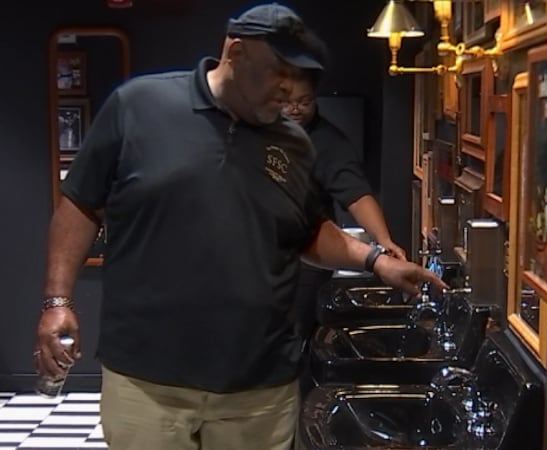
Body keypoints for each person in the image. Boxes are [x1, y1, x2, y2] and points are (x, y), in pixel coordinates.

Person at [32, 4, 446, 450]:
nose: (288, 88)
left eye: (297, 75)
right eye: (278, 71)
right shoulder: (138, 106)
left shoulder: (294, 144)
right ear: (235, 51)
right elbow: (80, 203)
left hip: (258, 386)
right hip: (148, 379)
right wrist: (58, 300)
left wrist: (376, 260)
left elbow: (308, 232)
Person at [283, 60, 406, 345]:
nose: (295, 109)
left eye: (304, 101)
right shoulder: (258, 131)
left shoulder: (327, 142)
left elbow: (357, 194)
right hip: (261, 257)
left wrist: (384, 240)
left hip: (308, 257)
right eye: (287, 102)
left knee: (294, 340)